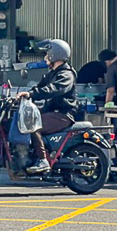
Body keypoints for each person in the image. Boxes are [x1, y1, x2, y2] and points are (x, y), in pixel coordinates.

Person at [18, 39, 77, 174]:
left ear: (54, 54)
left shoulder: (66, 74)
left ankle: (42, 160)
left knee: (32, 124)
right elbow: (39, 88)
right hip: (52, 112)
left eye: (47, 53)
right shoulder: (51, 74)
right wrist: (23, 95)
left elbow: (54, 89)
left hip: (62, 114)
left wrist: (31, 94)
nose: (45, 57)